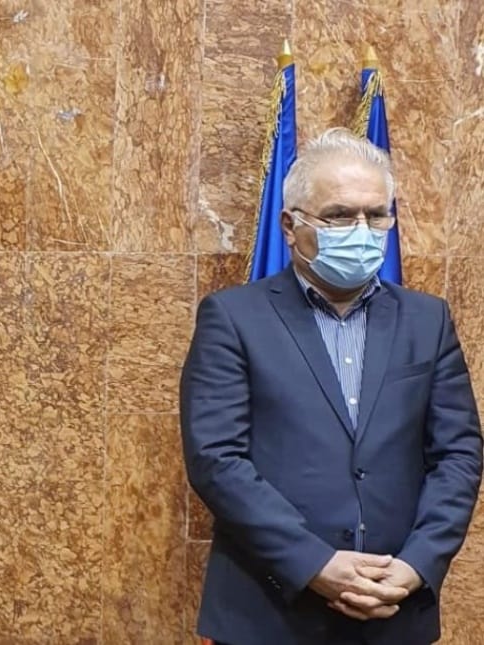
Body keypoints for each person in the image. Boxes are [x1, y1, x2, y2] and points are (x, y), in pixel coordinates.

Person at [180, 128, 482, 645]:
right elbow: (216, 459)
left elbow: (458, 454)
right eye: (339, 216)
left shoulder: (427, 320)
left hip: (393, 610)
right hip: (268, 614)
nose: (361, 230)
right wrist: (313, 563)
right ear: (290, 226)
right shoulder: (233, 318)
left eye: (376, 215)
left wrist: (417, 564)